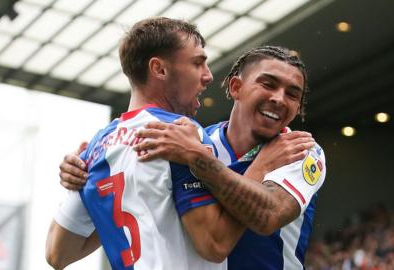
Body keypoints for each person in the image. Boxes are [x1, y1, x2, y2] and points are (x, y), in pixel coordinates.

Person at [46, 17, 314, 270]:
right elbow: (215, 243)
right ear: (159, 69)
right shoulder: (184, 137)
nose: (208, 76)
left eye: (293, 94)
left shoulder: (98, 147)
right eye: (198, 63)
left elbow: (57, 254)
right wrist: (256, 166)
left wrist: (87, 186)